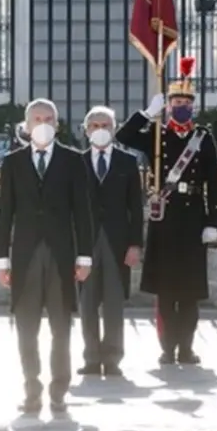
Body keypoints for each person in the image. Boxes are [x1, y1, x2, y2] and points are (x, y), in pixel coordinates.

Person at [115, 56, 217, 366]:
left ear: (193, 105)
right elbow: (123, 138)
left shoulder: (202, 138)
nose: (181, 106)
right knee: (165, 290)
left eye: (185, 102)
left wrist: (212, 221)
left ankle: (186, 347)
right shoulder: (157, 134)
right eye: (176, 101)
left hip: (192, 221)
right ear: (169, 104)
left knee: (189, 290)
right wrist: (147, 114)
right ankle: (167, 347)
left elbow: (214, 182)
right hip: (165, 218)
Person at [0, 99, 94, 415]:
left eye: (48, 118)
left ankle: (59, 390)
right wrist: (1, 260)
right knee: (26, 328)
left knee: (61, 327)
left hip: (61, 256)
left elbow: (83, 212)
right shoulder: (11, 162)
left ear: (57, 123)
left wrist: (85, 257)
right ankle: (31, 389)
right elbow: (5, 214)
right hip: (25, 257)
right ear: (27, 125)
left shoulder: (73, 160)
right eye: (37, 118)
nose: (43, 123)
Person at [78, 106, 145, 378]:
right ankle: (92, 358)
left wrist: (135, 244)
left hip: (117, 242)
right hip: (86, 242)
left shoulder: (128, 162)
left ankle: (113, 358)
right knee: (88, 302)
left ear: (114, 129)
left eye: (105, 125)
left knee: (114, 302)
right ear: (86, 131)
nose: (100, 130)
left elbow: (136, 207)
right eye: (94, 125)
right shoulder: (76, 162)